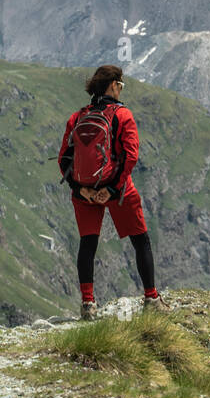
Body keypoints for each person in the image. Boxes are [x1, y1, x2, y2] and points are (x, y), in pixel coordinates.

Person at [57, 65, 168, 319]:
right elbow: (130, 156)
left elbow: (64, 158)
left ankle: (88, 305)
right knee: (140, 240)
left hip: (84, 192)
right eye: (121, 85)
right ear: (113, 85)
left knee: (88, 244)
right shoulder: (122, 115)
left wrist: (81, 189)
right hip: (117, 189)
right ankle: (151, 297)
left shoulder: (77, 117)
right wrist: (112, 189)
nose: (120, 89)